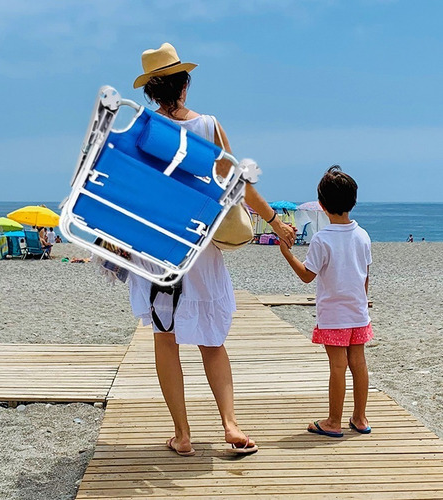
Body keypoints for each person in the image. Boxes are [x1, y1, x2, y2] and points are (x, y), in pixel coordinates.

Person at [128, 43, 295, 456]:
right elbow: (239, 185)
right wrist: (274, 221)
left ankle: (183, 436)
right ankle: (230, 424)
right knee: (212, 341)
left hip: (156, 246)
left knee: (165, 338)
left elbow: (130, 193)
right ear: (184, 84)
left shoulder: (141, 129)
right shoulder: (208, 126)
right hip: (199, 243)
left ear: (151, 91)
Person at [279, 166, 373, 437]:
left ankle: (334, 420)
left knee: (337, 367)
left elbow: (307, 276)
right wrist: (362, 302)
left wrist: (287, 253)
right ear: (353, 200)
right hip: (358, 311)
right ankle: (360, 417)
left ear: (321, 204)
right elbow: (365, 275)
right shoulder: (362, 235)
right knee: (359, 363)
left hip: (334, 315)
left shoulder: (322, 239)